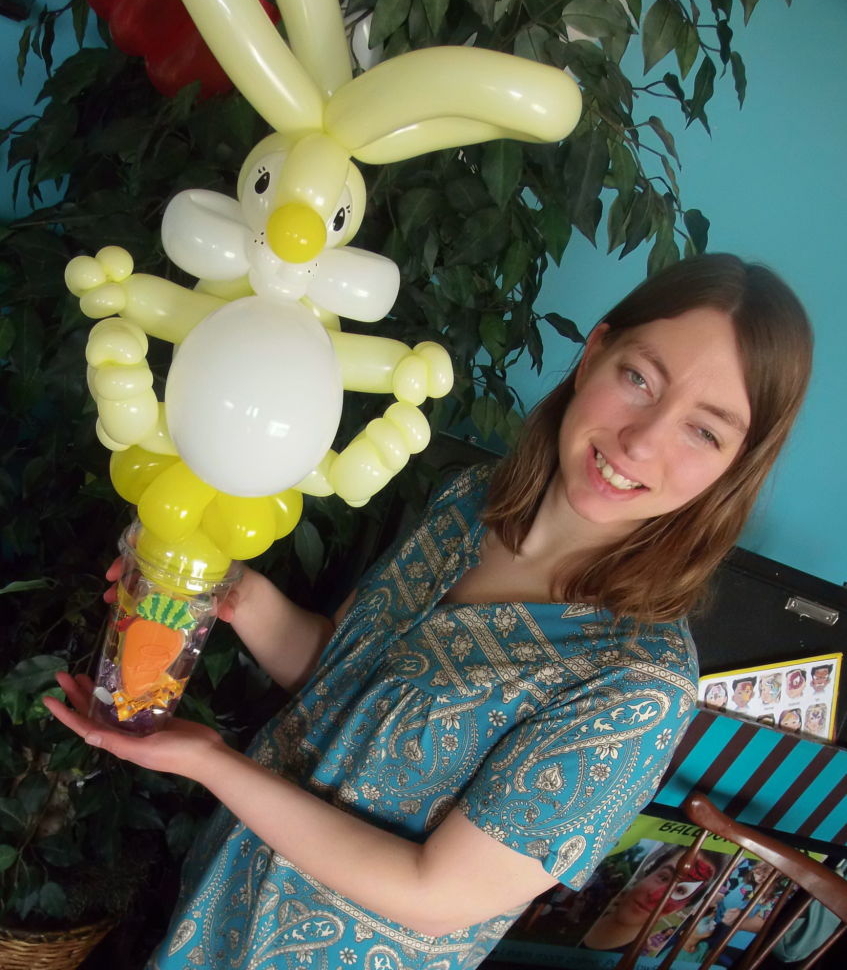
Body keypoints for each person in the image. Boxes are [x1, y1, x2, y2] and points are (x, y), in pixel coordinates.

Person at [44, 253, 813, 970]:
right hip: (219, 907)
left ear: (733, 467)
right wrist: (233, 591)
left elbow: (433, 895)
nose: (642, 442)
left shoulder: (635, 684)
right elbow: (340, 679)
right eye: (639, 378)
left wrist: (208, 761)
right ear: (593, 354)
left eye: (703, 430)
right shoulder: (467, 504)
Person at [580, 843, 727, 954]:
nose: (656, 896)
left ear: (684, 906)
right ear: (648, 873)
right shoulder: (582, 914)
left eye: (680, 891)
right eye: (663, 878)